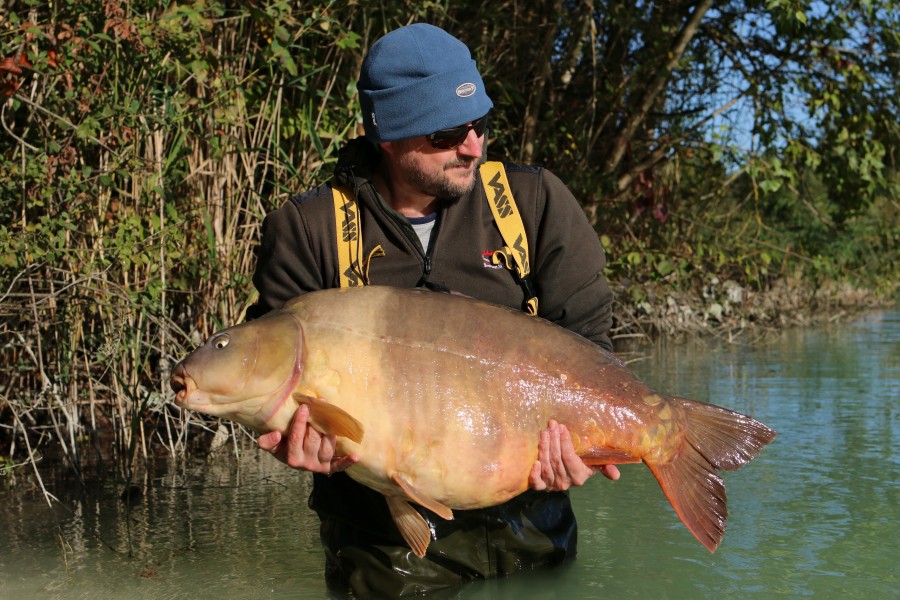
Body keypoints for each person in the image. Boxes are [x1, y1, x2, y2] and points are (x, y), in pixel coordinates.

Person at [247, 23, 620, 597]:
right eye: (447, 133)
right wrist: (297, 445)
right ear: (387, 136)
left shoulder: (533, 203)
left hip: (536, 534)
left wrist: (585, 449)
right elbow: (267, 378)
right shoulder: (310, 230)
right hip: (386, 552)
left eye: (480, 126)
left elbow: (594, 351)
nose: (473, 146)